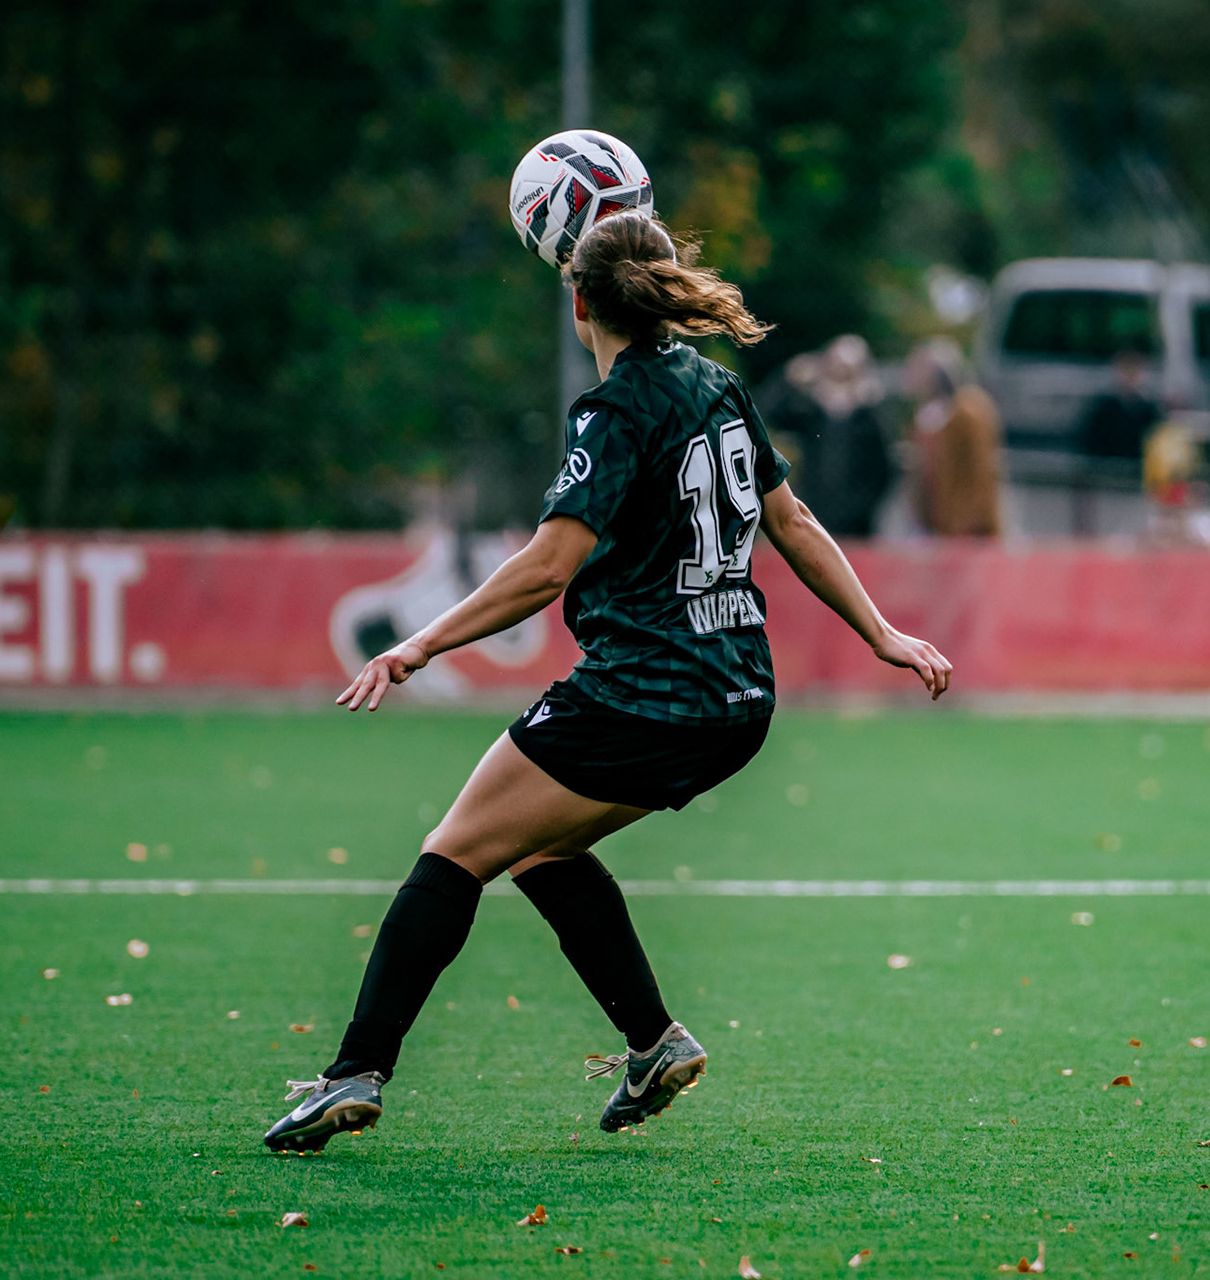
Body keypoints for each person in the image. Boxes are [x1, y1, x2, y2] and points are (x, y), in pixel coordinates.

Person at [262, 211, 952, 1153]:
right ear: (663, 291)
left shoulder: (616, 412)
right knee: (538, 850)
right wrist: (883, 632)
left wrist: (416, 646)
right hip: (738, 699)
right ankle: (654, 1045)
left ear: (578, 302)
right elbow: (792, 524)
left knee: (454, 849)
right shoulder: (717, 386)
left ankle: (353, 1075)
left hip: (645, 693)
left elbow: (548, 567)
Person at [780, 335, 895, 538]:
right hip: (815, 511)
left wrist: (862, 507)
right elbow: (773, 414)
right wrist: (789, 380)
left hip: (857, 523)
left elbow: (884, 469)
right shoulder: (812, 409)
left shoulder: (870, 414)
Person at [905, 336, 1002, 537]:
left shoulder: (971, 410)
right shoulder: (925, 415)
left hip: (967, 529)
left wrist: (969, 522)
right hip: (935, 524)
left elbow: (981, 469)